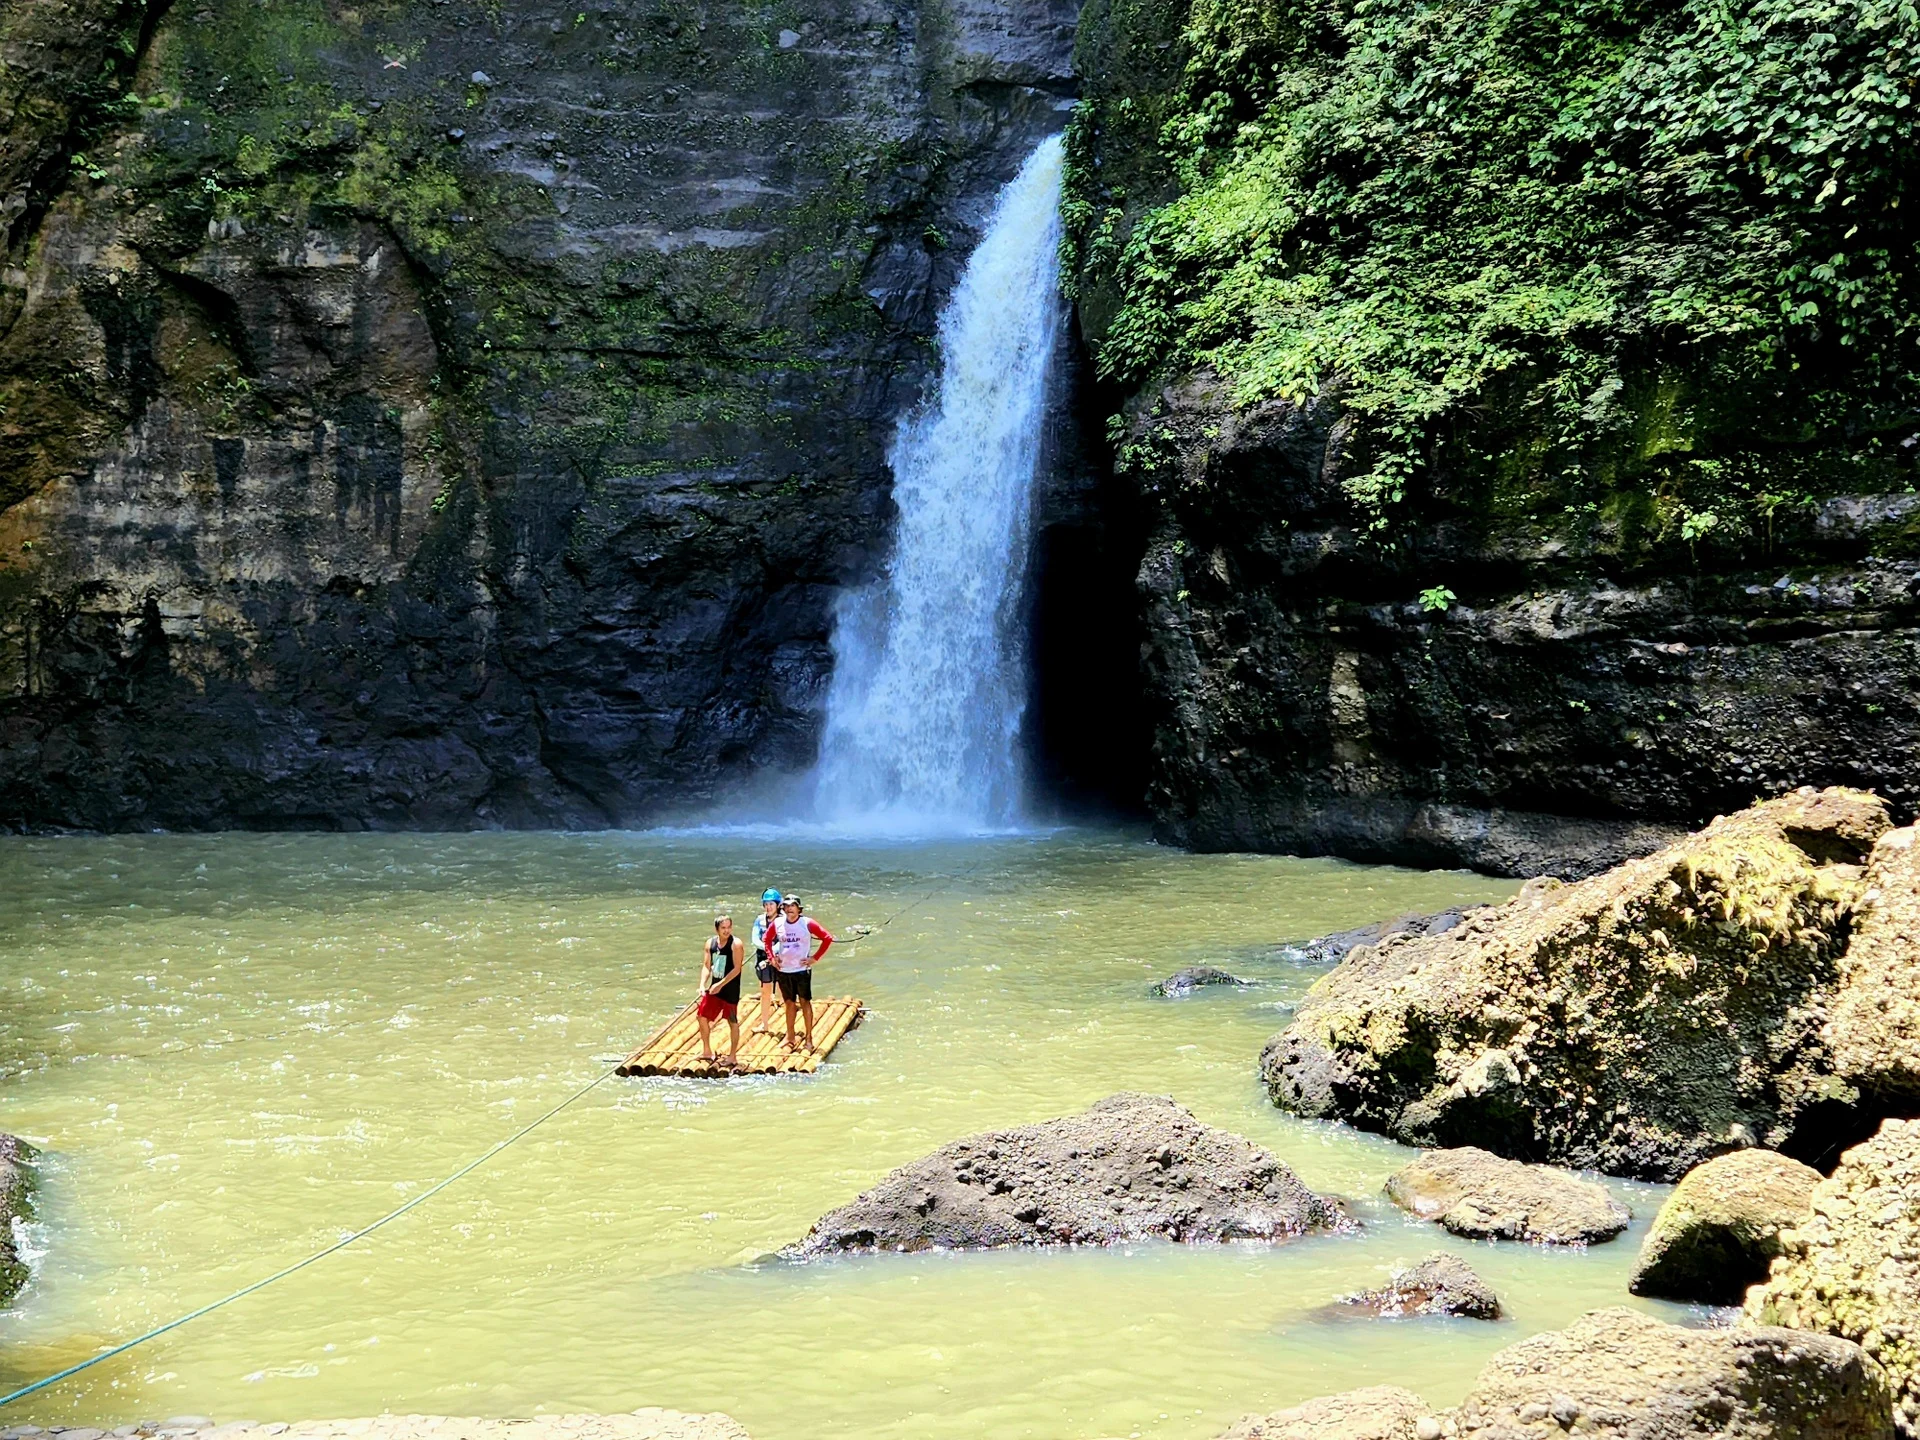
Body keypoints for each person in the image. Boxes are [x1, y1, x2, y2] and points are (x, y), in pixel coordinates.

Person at [766, 893, 833, 1052]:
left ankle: (808, 1038)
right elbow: (767, 940)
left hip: (802, 970)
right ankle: (790, 1037)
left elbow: (827, 938)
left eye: (793, 906)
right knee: (788, 1003)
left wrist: (815, 958)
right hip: (784, 970)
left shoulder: (807, 923)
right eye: (787, 907)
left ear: (799, 909)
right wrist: (772, 958)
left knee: (805, 1003)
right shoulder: (778, 923)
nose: (789, 910)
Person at [697, 913, 745, 1067]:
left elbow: (737, 969)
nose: (726, 931)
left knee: (732, 1021)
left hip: (729, 987)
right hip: (714, 987)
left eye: (729, 927)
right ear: (717, 929)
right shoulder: (710, 943)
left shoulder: (735, 944)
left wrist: (721, 984)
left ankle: (732, 1056)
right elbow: (706, 966)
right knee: (701, 1017)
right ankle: (707, 1051)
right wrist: (702, 985)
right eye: (723, 928)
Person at [749, 887, 782, 1035]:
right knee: (765, 991)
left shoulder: (784, 920)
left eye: (771, 904)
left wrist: (773, 950)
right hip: (764, 958)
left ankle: (788, 1024)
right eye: (766, 904)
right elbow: (755, 938)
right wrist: (767, 948)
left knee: (785, 991)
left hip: (780, 958)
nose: (768, 907)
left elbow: (784, 940)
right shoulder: (759, 920)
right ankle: (765, 1024)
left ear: (777, 905)